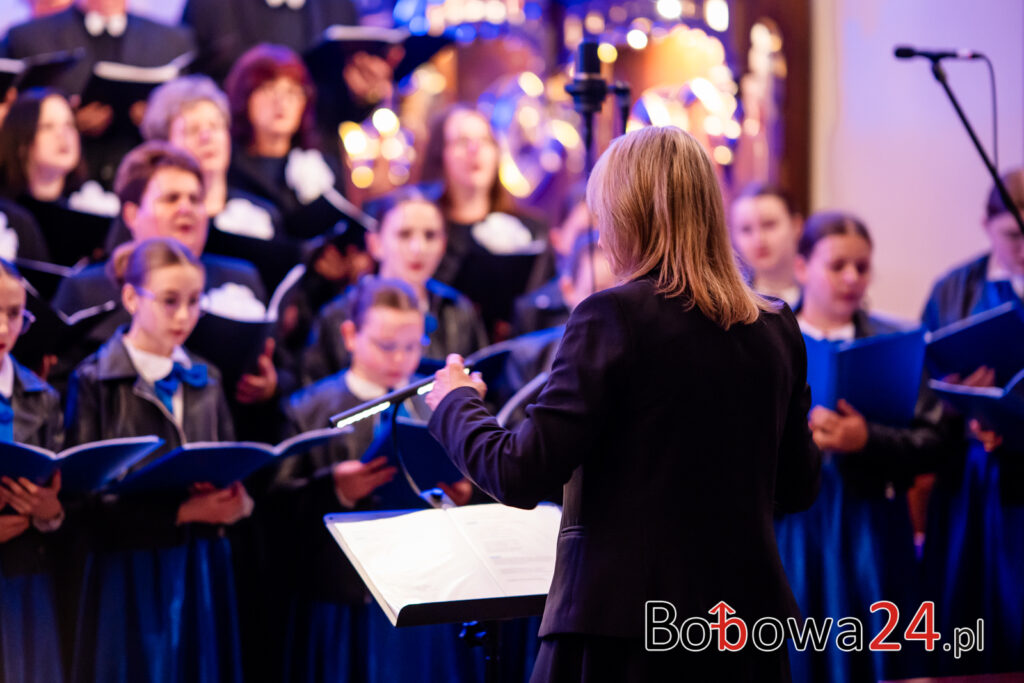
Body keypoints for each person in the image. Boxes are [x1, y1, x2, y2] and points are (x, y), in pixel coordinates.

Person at [426, 126, 821, 681]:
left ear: (627, 216)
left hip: (625, 632)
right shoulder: (775, 325)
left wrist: (456, 403)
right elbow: (799, 487)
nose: (603, 235)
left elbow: (520, 472)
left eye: (602, 215)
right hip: (742, 632)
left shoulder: (611, 316)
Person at [271, 277, 476, 683]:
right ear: (350, 336)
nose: (400, 358)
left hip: (426, 587)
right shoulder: (307, 408)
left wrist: (463, 490)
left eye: (413, 346)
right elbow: (275, 509)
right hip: (344, 597)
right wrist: (334, 489)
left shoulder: (435, 404)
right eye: (386, 345)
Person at [65, 237, 251, 683]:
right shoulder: (95, 379)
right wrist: (181, 511)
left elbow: (229, 460)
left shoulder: (207, 377)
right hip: (129, 569)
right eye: (169, 301)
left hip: (201, 562)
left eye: (194, 301)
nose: (184, 316)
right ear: (131, 298)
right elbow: (82, 501)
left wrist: (238, 502)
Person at [777, 211, 950, 683]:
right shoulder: (769, 336)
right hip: (796, 528)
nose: (852, 278)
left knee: (875, 653)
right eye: (837, 266)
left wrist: (867, 438)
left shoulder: (896, 342)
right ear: (802, 267)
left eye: (862, 266)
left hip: (873, 524)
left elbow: (934, 441)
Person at [919, 168, 1024, 675]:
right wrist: (962, 399)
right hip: (968, 479)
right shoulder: (954, 290)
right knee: (966, 624)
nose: (1023, 248)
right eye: (1013, 235)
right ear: (987, 226)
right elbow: (922, 384)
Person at [301, 188, 487, 385]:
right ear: (375, 243)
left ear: (443, 244)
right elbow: (315, 393)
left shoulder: (457, 310)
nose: (418, 248)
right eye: (404, 234)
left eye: (430, 235)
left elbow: (483, 382)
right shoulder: (339, 315)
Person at [1, 0, 197, 186]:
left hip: (142, 181)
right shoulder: (27, 38)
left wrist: (155, 120)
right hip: (56, 182)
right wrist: (69, 122)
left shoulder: (173, 41)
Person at [421, 104, 552, 338]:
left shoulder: (530, 230)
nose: (475, 150)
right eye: (462, 141)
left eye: (485, 141)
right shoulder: (422, 231)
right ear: (440, 154)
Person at [0, 259, 66, 683]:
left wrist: (50, 511)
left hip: (25, 579)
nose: (3, 328)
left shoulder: (41, 397)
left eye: (13, 314)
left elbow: (64, 494)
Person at [224, 44, 351, 240]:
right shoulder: (228, 168)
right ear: (244, 96)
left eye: (292, 92)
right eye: (268, 89)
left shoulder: (321, 167)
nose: (281, 102)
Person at [729, 182, 803, 307]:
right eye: (746, 229)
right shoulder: (730, 302)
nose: (759, 240)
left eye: (769, 224)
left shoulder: (822, 294)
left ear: (796, 225)